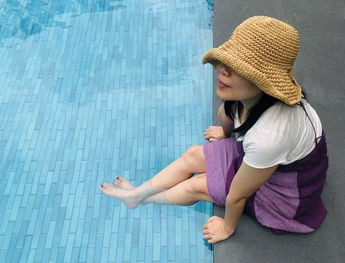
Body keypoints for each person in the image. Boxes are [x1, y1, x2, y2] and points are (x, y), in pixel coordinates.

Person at [100, 16, 328, 244]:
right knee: (192, 155)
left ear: (264, 82)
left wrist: (227, 228)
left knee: (195, 186)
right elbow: (227, 117)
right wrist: (225, 132)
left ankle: (141, 200)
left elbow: (237, 196)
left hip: (285, 191)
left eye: (239, 67)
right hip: (267, 162)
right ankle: (135, 195)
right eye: (226, 60)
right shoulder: (248, 99)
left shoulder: (269, 135)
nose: (222, 69)